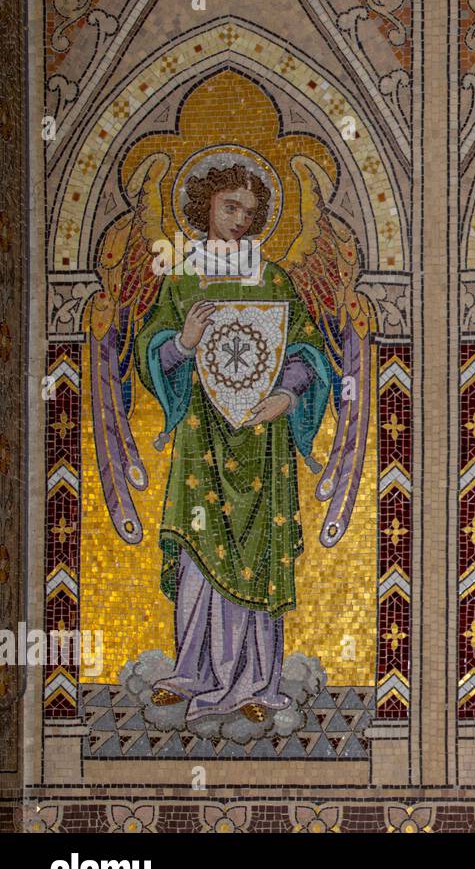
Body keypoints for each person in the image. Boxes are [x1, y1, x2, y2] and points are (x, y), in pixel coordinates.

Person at [137, 163, 332, 722]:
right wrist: (183, 340)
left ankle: (255, 683)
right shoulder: (181, 279)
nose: (240, 221)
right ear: (205, 207)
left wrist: (289, 398)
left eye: (249, 212)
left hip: (263, 439)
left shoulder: (273, 279)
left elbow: (305, 353)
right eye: (230, 207)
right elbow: (151, 353)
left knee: (258, 554)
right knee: (200, 550)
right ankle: (192, 672)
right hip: (203, 435)